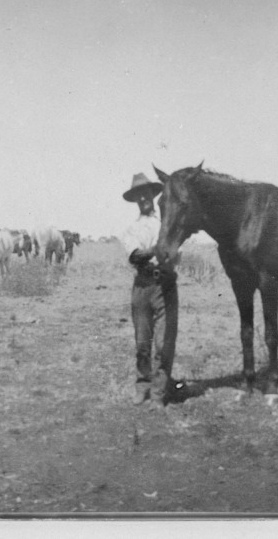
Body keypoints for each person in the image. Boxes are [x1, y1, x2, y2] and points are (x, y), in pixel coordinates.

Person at [120, 172, 177, 404]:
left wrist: (162, 251)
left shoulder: (166, 223)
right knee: (142, 342)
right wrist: (156, 249)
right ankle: (142, 385)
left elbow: (173, 253)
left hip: (165, 285)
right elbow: (135, 256)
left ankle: (159, 392)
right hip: (142, 286)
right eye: (139, 196)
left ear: (153, 196)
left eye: (146, 194)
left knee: (164, 344)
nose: (143, 199)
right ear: (135, 200)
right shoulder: (131, 230)